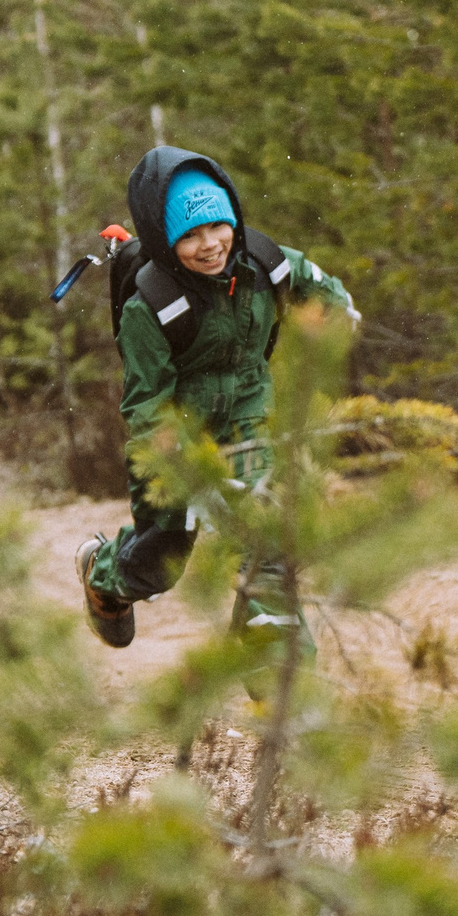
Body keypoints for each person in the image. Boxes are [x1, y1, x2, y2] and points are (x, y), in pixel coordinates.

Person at [75, 146, 355, 649]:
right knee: (162, 563)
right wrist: (179, 471)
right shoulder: (151, 307)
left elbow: (326, 294)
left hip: (253, 423)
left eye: (218, 227)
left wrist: (332, 330)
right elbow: (145, 410)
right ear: (165, 240)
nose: (210, 245)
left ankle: (275, 679)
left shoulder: (266, 265)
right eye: (189, 235)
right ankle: (104, 575)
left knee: (267, 546)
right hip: (178, 439)